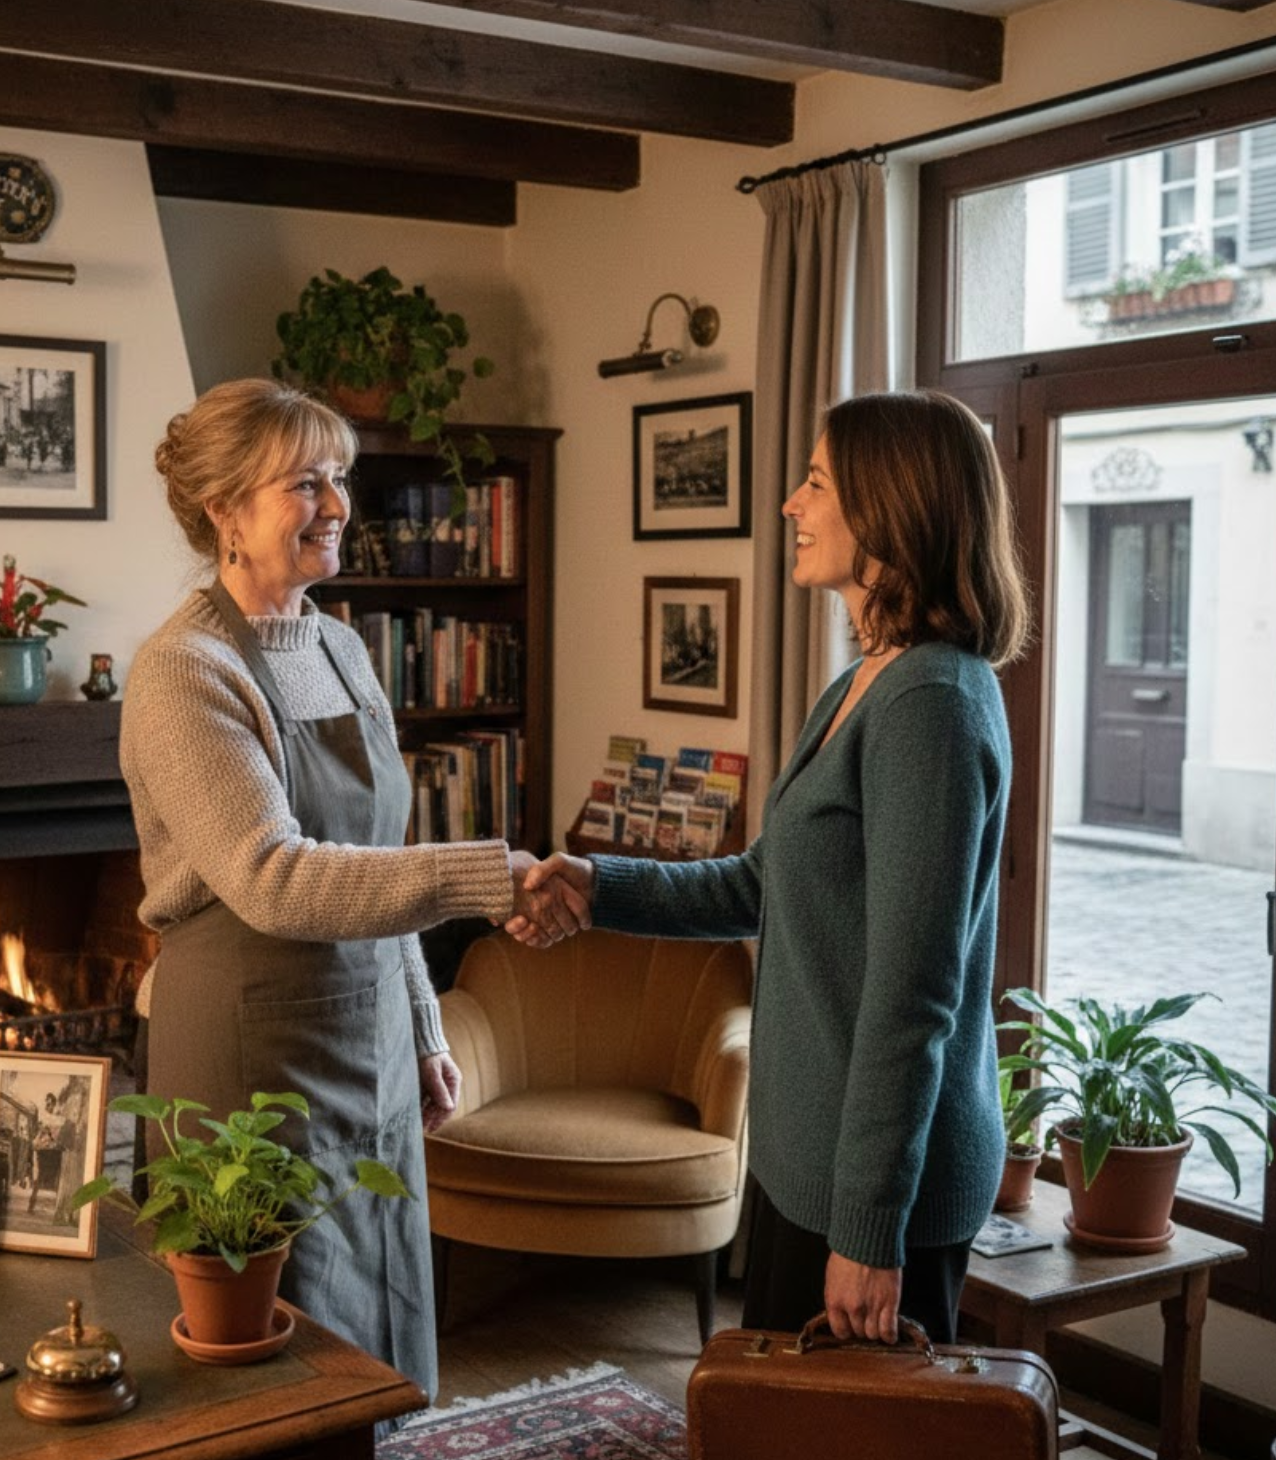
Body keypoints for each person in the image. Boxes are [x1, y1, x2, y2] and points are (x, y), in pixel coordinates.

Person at [513, 389, 1030, 1347]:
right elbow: (765, 884)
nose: (791, 504)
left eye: (817, 481)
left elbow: (915, 993)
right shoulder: (868, 680)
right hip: (811, 1167)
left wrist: (870, 1230)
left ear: (892, 505)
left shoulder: (931, 706)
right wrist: (600, 885)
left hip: (878, 1196)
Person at [120, 377, 584, 1403]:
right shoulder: (184, 671)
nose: (336, 505)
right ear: (225, 511)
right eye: (305, 483)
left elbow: (380, 845)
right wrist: (484, 873)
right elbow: (273, 877)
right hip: (248, 1047)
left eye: (341, 480)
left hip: (365, 1033)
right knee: (276, 1353)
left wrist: (421, 1022)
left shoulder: (337, 641)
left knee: (378, 1308)